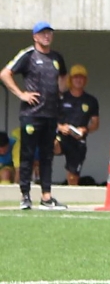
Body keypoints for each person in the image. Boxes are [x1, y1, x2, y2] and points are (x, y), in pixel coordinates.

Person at [0, 21, 68, 210]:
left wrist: (60, 92)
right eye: (43, 33)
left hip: (50, 114)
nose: (47, 36)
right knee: (27, 155)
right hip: (31, 115)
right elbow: (5, 73)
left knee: (46, 156)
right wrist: (21, 94)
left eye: (49, 33)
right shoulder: (28, 55)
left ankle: (46, 197)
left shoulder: (56, 57)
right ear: (35, 36)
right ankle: (25, 196)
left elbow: (63, 76)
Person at [54, 64, 100, 185]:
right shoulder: (61, 98)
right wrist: (60, 127)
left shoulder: (91, 100)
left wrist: (85, 130)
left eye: (81, 77)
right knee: (49, 145)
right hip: (61, 136)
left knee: (73, 177)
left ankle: (70, 198)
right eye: (75, 77)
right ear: (70, 79)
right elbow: (50, 118)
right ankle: (38, 179)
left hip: (78, 141)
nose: (78, 80)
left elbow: (95, 124)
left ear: (85, 80)